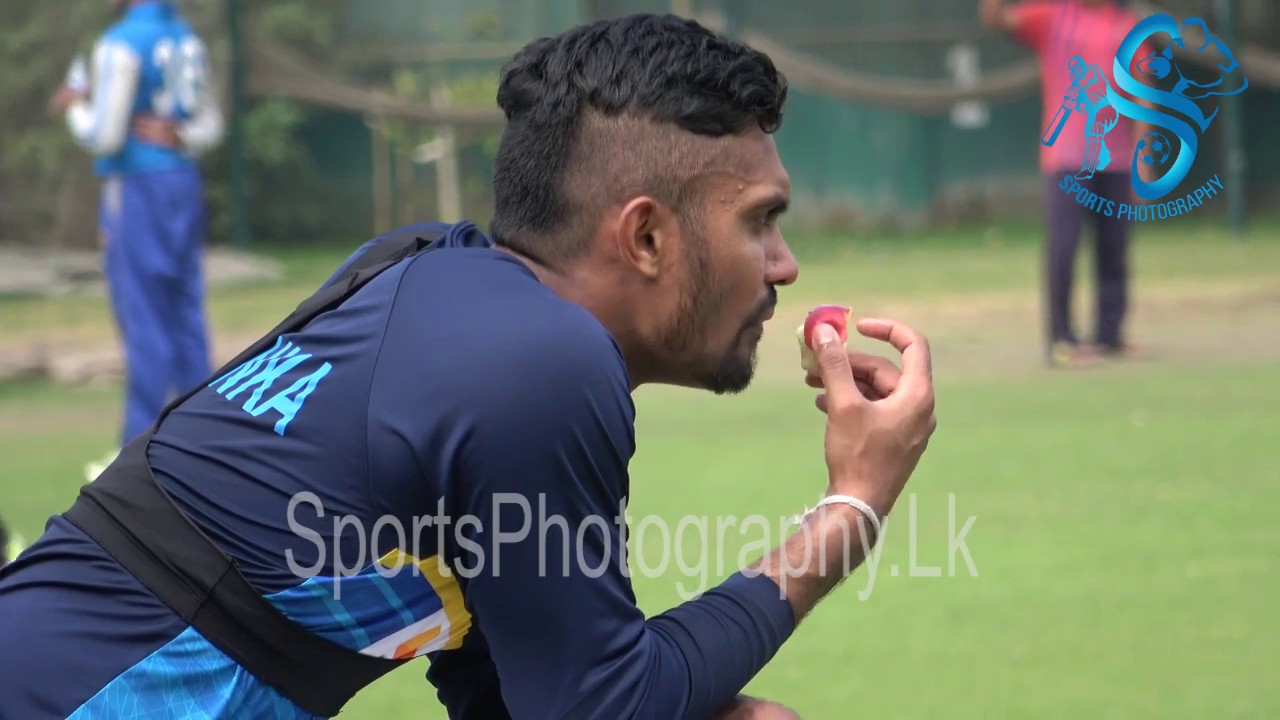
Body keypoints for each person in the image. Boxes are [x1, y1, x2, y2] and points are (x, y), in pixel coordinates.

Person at [1, 14, 937, 719]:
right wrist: (851, 510)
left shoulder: (427, 274)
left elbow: (525, 698)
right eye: (761, 221)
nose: (785, 264)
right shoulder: (539, 363)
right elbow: (595, 709)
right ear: (646, 235)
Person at [49, 0, 223, 454]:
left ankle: (138, 452)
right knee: (186, 313)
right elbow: (211, 123)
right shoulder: (187, 37)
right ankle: (205, 443)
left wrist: (76, 107)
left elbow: (104, 135)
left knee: (144, 316)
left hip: (138, 186)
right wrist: (182, 136)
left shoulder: (120, 42)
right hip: (183, 182)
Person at [979, 0, 1146, 366]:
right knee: (1064, 247)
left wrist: (1144, 160)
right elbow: (997, 20)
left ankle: (1110, 334)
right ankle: (1062, 340)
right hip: (1068, 159)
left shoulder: (1128, 27)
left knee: (1114, 248)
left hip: (1116, 159)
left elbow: (1144, 94)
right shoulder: (1054, 16)